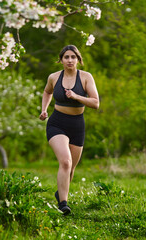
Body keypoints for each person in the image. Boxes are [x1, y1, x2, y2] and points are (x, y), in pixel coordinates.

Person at [39, 45, 99, 215]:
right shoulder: (54, 77)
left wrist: (76, 96)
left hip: (77, 125)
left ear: (78, 59)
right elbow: (47, 92)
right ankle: (63, 204)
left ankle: (61, 193)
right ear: (61, 60)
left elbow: (95, 103)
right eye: (66, 57)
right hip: (57, 122)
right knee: (65, 162)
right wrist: (44, 109)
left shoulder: (86, 77)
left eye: (73, 57)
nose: (70, 60)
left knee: (71, 168)